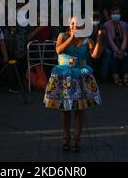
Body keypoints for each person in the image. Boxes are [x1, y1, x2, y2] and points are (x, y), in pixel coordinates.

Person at [44, 16, 103, 153]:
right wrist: (71, 38)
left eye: (77, 24)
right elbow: (58, 50)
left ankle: (76, 139)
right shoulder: (62, 36)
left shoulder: (88, 40)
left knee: (79, 110)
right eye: (72, 24)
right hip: (65, 76)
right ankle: (66, 137)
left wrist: (100, 38)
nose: (73, 26)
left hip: (80, 76)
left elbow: (95, 56)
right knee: (65, 109)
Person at [105, 7, 128, 86]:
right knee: (113, 56)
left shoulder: (124, 24)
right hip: (112, 46)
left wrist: (122, 50)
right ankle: (116, 77)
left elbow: (125, 37)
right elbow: (109, 39)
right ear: (111, 15)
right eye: (114, 14)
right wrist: (117, 51)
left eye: (118, 13)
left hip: (122, 46)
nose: (116, 15)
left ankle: (126, 77)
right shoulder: (107, 24)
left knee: (126, 56)